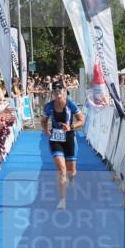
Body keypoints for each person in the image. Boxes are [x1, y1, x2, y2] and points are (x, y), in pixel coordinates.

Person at [41, 82, 85, 210]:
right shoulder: (49, 106)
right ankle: (62, 201)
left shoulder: (71, 104)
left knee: (72, 172)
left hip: (69, 138)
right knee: (62, 170)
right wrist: (45, 129)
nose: (57, 92)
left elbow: (82, 120)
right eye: (55, 90)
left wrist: (71, 126)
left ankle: (70, 181)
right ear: (52, 92)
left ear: (64, 91)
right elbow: (43, 120)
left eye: (60, 89)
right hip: (55, 139)